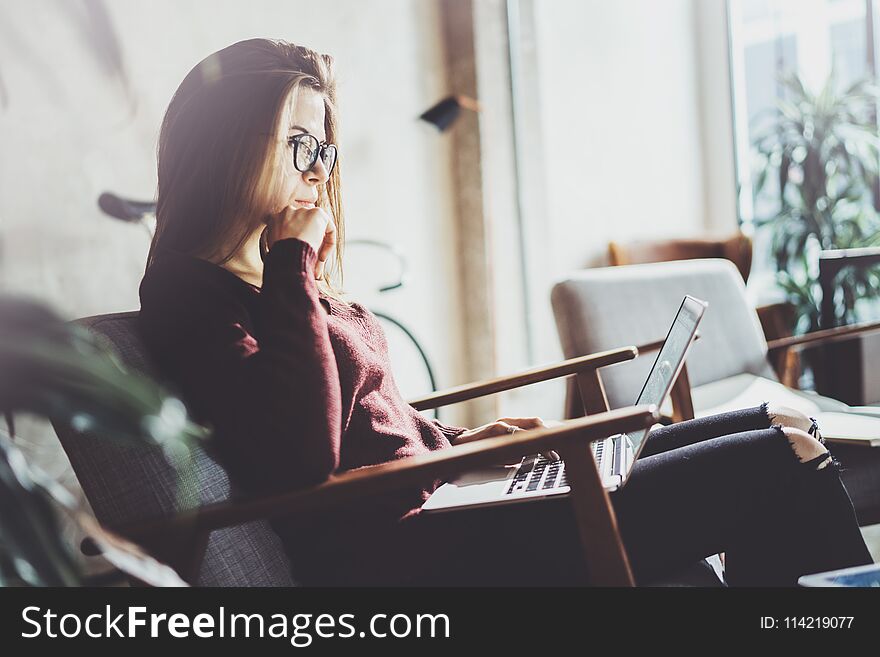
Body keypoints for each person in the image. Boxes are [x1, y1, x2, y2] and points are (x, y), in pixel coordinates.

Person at [138, 38, 873, 587]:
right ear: (228, 142)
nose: (316, 171)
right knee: (786, 459)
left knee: (784, 423)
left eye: (323, 151)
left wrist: (466, 441)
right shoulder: (192, 292)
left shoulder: (274, 277)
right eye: (298, 143)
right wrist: (293, 262)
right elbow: (301, 455)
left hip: (452, 504)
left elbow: (374, 420)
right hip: (427, 555)